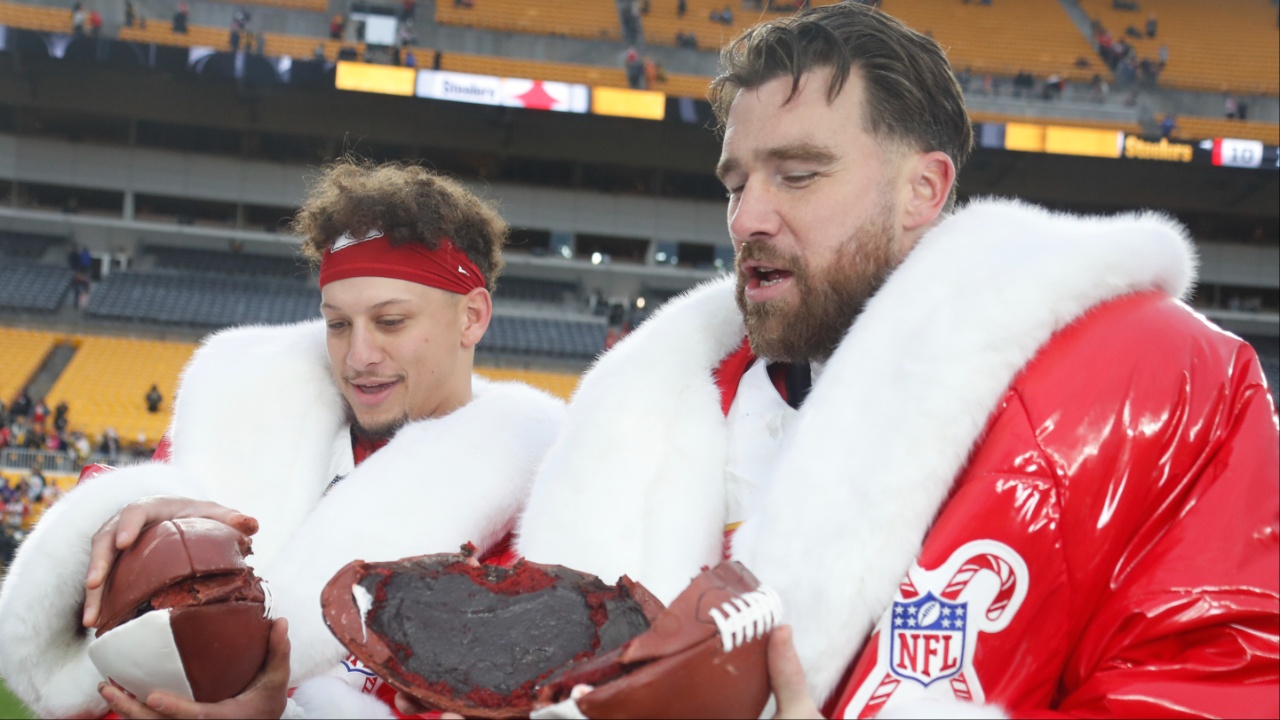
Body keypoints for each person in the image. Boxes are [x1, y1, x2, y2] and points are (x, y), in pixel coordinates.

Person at [511, 4, 1279, 718]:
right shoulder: (656, 414)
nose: (747, 218)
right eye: (736, 183)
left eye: (798, 174)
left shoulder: (1141, 379)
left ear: (923, 188)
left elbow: (1218, 680)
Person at [0, 160, 565, 719]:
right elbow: (93, 649)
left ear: (472, 317)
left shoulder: (544, 512)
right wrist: (140, 541)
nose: (359, 356)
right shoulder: (235, 419)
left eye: (390, 322)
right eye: (338, 324)